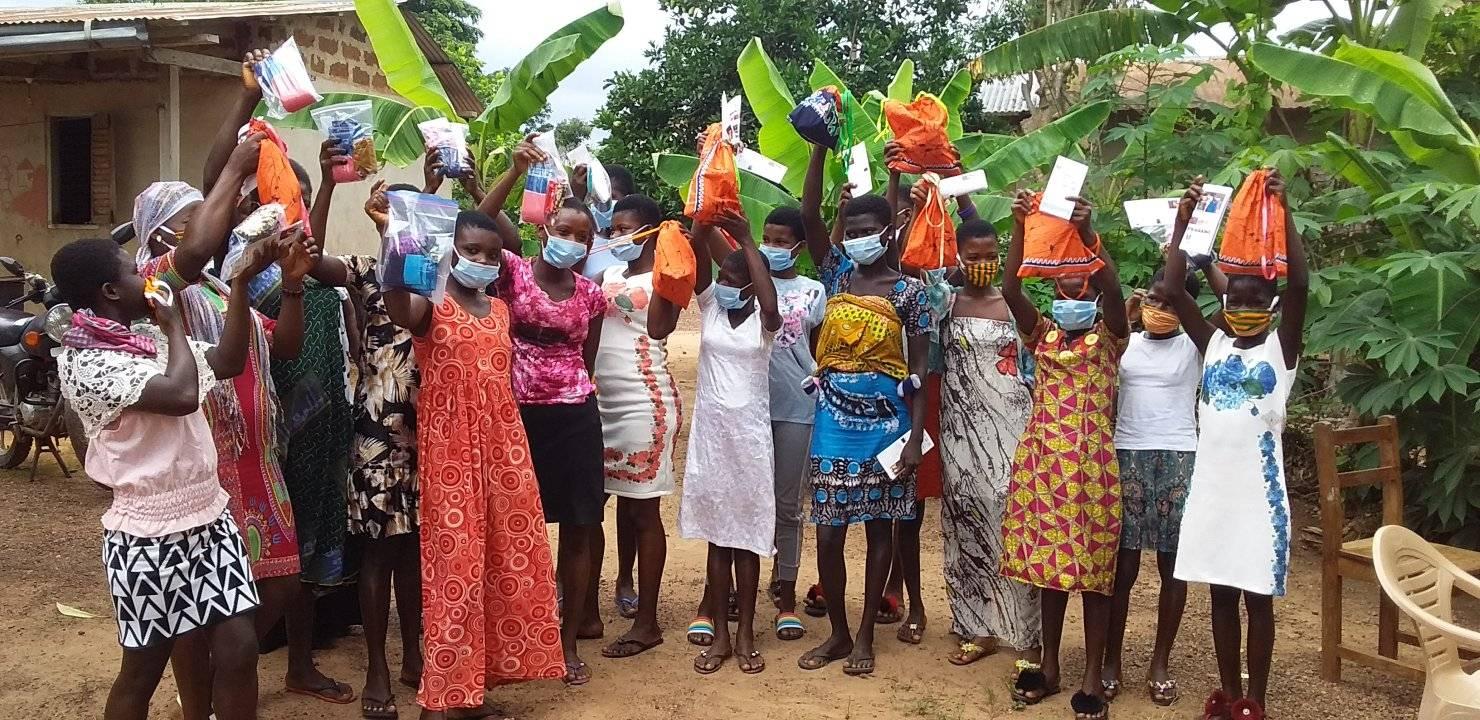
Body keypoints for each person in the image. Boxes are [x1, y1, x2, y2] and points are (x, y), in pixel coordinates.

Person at [54, 234, 299, 720]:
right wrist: (172, 327)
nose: (144, 277)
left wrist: (241, 282)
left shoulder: (142, 343)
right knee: (142, 671)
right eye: (131, 271)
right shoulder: (88, 362)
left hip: (209, 517)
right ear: (110, 291)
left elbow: (228, 361)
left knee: (239, 648)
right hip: (146, 535)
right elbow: (183, 394)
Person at [383, 200, 564, 719]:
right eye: (469, 251)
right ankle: (438, 701)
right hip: (451, 454)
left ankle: (469, 693)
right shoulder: (430, 304)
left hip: (504, 449)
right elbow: (401, 308)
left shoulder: (502, 311)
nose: (482, 260)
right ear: (450, 251)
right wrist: (400, 240)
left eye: (490, 253)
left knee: (500, 563)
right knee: (454, 570)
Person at [1168, 174, 1307, 720]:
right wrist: (1184, 226)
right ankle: (1228, 695)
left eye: (1255, 300)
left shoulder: (1281, 352)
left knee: (1256, 599)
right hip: (1212, 495)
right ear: (1225, 305)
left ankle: (1258, 699)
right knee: (1220, 598)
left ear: (1270, 306)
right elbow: (1177, 291)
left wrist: (1285, 208)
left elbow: (1299, 287)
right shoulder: (1214, 341)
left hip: (1259, 496)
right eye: (1235, 299)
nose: (1244, 307)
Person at [479, 137, 609, 686]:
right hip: (517, 415)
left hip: (575, 414)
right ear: (543, 230)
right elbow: (478, 221)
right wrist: (512, 172)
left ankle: (568, 641)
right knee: (512, 526)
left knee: (580, 527)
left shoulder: (591, 294)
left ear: (589, 244)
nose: (570, 243)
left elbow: (588, 356)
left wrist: (574, 391)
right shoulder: (513, 272)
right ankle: (512, 636)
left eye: (580, 237)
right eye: (562, 232)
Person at [796, 156, 933, 675]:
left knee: (880, 532)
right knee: (829, 533)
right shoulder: (836, 274)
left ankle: (865, 639)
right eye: (851, 230)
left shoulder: (910, 294)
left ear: (888, 232)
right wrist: (817, 150)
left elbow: (917, 373)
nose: (858, 238)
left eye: (868, 230)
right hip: (833, 423)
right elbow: (810, 215)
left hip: (887, 427)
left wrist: (915, 440)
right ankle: (836, 632)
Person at [998, 190, 1128, 720]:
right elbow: (1009, 286)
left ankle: (1093, 675)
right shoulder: (1043, 336)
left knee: (1095, 575)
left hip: (1093, 471)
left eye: (1081, 281)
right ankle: (1050, 666)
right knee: (1049, 573)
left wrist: (1090, 235)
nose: (1071, 287)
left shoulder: (1111, 338)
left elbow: (1117, 289)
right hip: (1043, 468)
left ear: (1092, 290)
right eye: (1063, 281)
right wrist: (1020, 229)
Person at [309, 178, 434, 719]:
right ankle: (378, 670)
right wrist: (325, 187)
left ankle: (413, 657)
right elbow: (308, 259)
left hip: (434, 426)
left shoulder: (438, 271)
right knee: (381, 552)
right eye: (391, 213)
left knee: (414, 552)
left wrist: (436, 190)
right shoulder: (364, 269)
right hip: (379, 428)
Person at [671, 209, 783, 674]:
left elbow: (773, 306)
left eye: (739, 276)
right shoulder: (712, 305)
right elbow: (698, 253)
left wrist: (749, 243)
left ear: (755, 282)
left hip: (751, 439)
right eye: (724, 274)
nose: (729, 281)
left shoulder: (766, 319)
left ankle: (745, 634)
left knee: (747, 539)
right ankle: (719, 633)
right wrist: (700, 222)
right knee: (719, 539)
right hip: (712, 438)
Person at [935, 218, 1041, 668]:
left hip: (1012, 428)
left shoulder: (1015, 305)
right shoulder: (944, 302)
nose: (983, 264)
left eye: (989, 255)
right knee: (965, 524)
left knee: (1014, 526)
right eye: (973, 256)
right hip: (958, 431)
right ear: (959, 256)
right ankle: (976, 628)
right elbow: (914, 265)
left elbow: (1035, 368)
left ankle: (1028, 636)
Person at [1101, 265, 1207, 706]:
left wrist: (1197, 258)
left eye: (1170, 302)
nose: (1159, 309)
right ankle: (1110, 660)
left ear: (1185, 306)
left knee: (1171, 567)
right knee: (1121, 569)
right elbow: (1095, 355)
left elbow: (1217, 317)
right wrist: (1122, 317)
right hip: (1127, 453)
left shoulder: (1197, 346)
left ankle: (1160, 662)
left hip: (1179, 457)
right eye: (1154, 299)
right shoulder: (1127, 344)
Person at [588, 193, 684, 661]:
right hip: (597, 401)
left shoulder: (664, 275)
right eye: (611, 229)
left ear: (648, 230)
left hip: (643, 400)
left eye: (624, 229)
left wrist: (676, 256)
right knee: (589, 509)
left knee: (643, 511)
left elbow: (663, 328)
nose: (615, 237)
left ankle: (647, 622)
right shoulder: (607, 274)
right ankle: (587, 609)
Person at [754, 205, 826, 642]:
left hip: (797, 406)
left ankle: (786, 594)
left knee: (786, 505)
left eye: (781, 242)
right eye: (767, 238)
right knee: (747, 496)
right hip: (748, 404)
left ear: (798, 247)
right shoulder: (742, 279)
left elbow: (815, 352)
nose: (772, 247)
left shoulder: (813, 290)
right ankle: (734, 585)